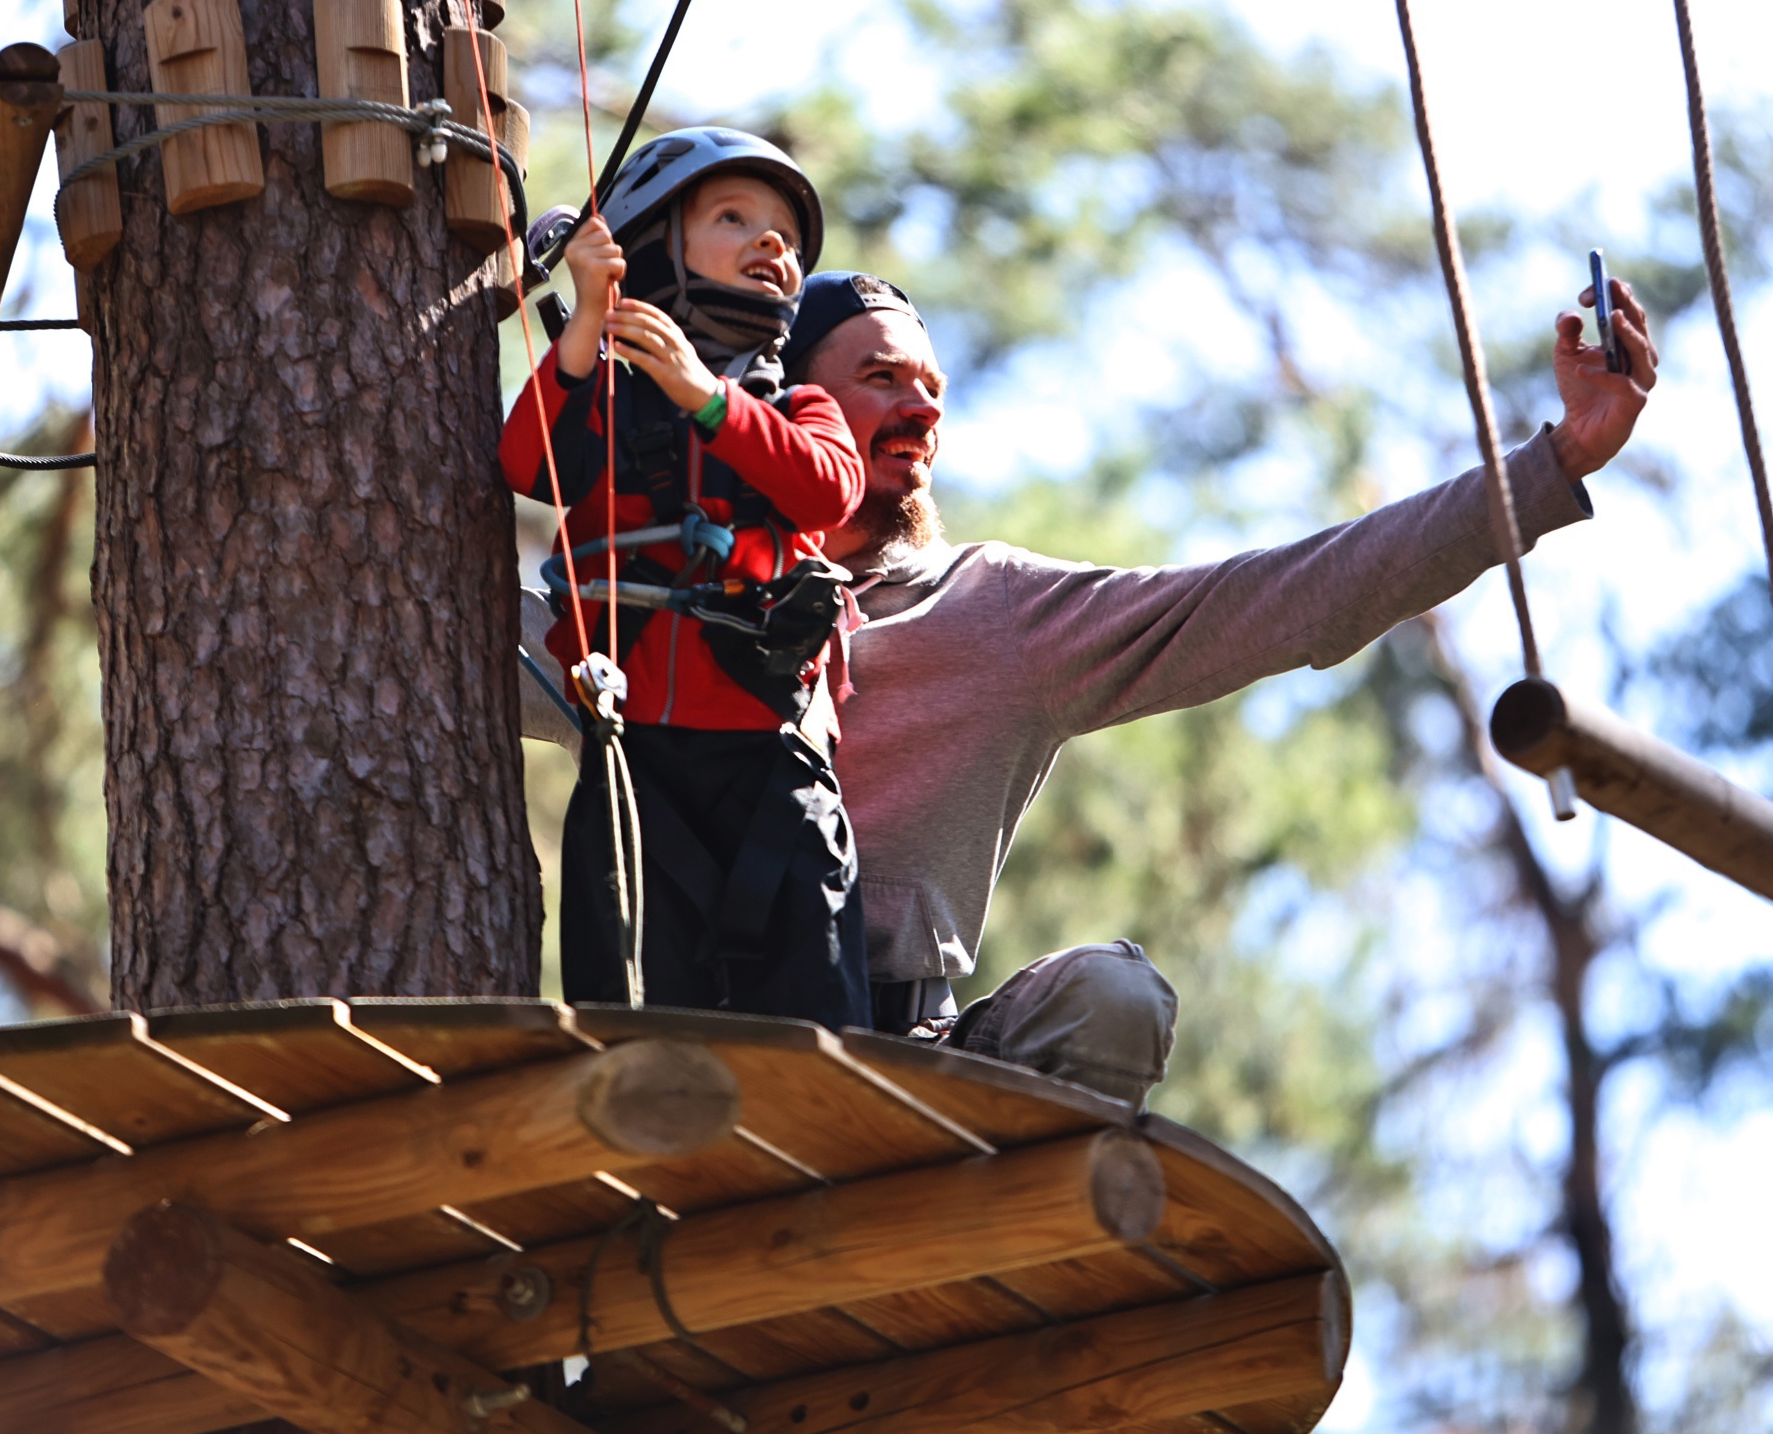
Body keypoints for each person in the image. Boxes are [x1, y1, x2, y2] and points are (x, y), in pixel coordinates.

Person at [520, 269, 1659, 1104]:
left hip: (897, 1065)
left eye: (932, 390)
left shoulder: (992, 614)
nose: (918, 410)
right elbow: (499, 644)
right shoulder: (661, 598)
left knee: (1111, 1002)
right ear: (786, 401)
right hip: (678, 1022)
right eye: (878, 380)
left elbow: (1289, 597)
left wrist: (1551, 464)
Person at [499, 129, 869, 1029]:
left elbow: (830, 484)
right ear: (652, 244)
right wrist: (587, 316)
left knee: (813, 1027)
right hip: (634, 761)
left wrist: (708, 395)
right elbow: (529, 464)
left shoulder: (796, 409)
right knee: (629, 1026)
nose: (772, 244)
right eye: (734, 218)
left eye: (784, 232)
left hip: (773, 767)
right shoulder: (601, 401)